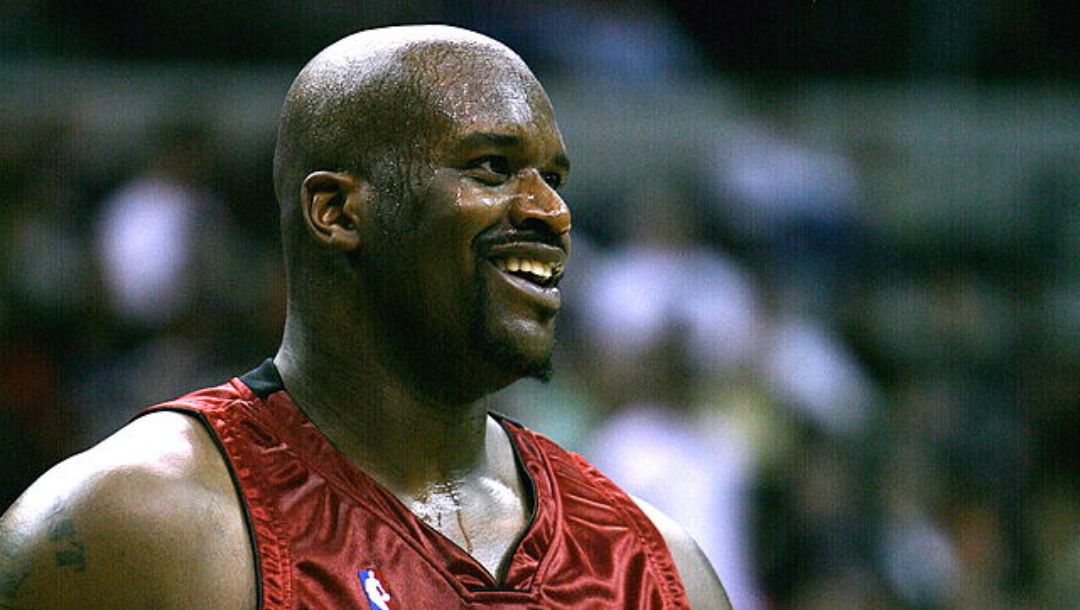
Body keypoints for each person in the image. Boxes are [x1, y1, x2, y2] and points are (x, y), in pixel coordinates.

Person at [0, 25, 730, 609]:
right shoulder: (138, 530)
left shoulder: (656, 564)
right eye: (492, 168)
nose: (553, 211)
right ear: (338, 210)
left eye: (555, 179)